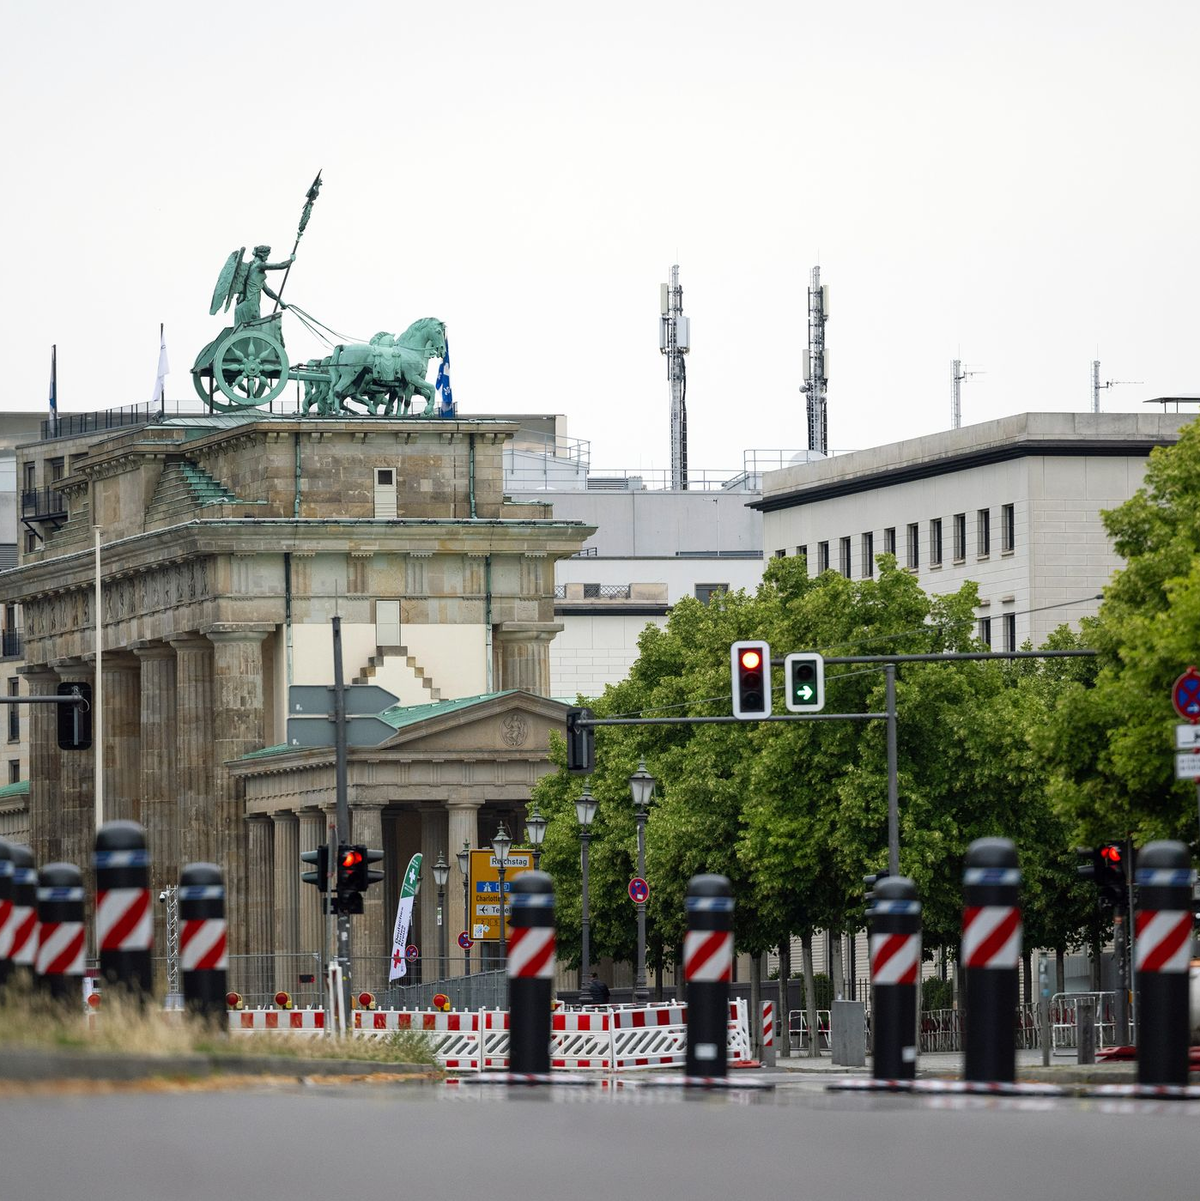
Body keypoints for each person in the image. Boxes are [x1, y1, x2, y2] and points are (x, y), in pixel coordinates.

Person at [234, 244, 294, 325]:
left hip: (246, 304)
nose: (267, 258)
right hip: (251, 303)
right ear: (262, 254)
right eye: (267, 255)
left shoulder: (252, 270)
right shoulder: (259, 265)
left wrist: (280, 301)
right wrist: (291, 260)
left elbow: (268, 290)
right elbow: (281, 265)